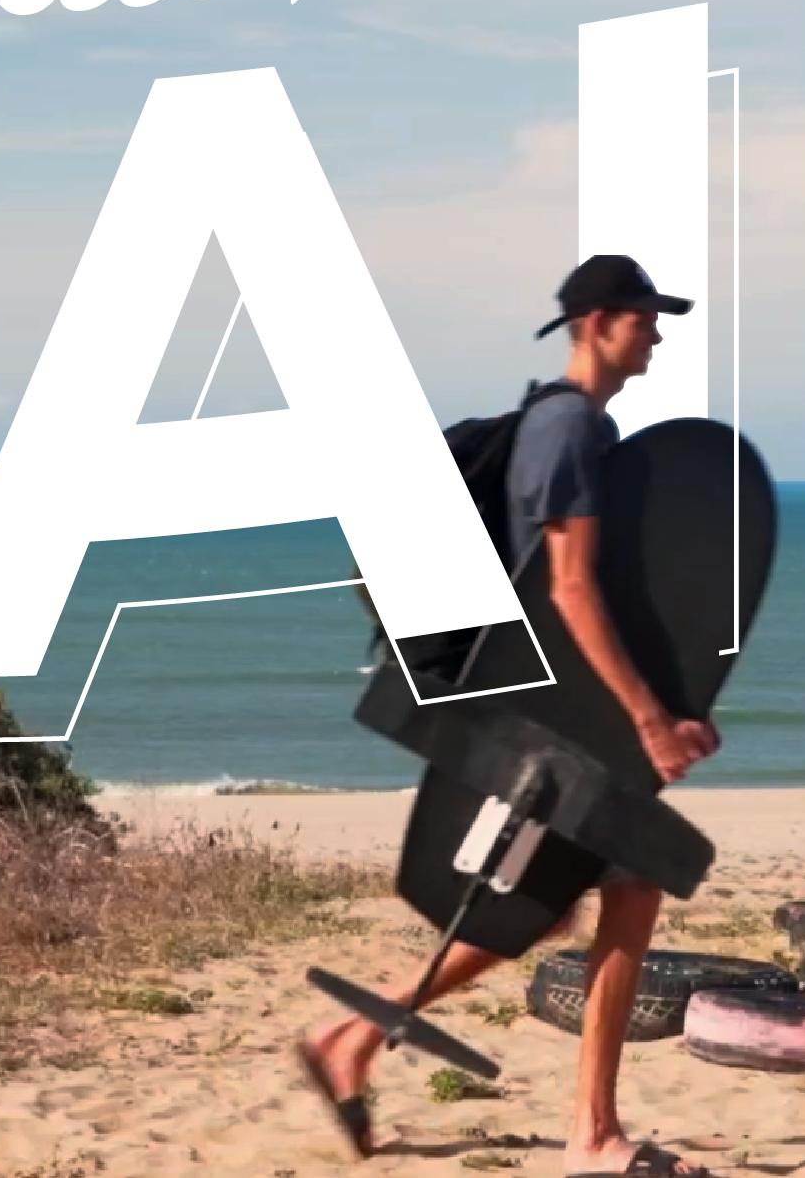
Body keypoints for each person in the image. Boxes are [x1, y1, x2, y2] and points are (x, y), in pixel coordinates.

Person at [298, 254, 722, 1178]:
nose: (657, 331)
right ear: (600, 321)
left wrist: (674, 700)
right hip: (545, 714)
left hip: (544, 707)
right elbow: (569, 590)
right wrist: (649, 719)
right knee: (586, 893)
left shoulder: (572, 425)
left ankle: (358, 1042)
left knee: (584, 897)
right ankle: (586, 1132)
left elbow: (609, 591)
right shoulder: (569, 429)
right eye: (647, 316)